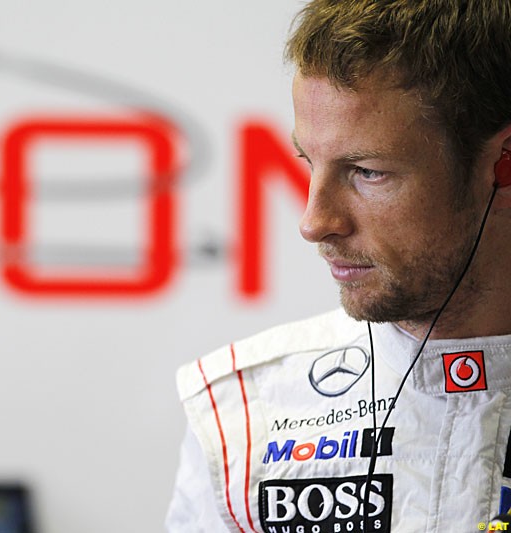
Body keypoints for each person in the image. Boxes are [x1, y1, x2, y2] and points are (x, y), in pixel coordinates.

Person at [165, 1, 511, 531]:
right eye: (308, 162)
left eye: (367, 172)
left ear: (503, 164)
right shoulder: (243, 414)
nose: (313, 221)